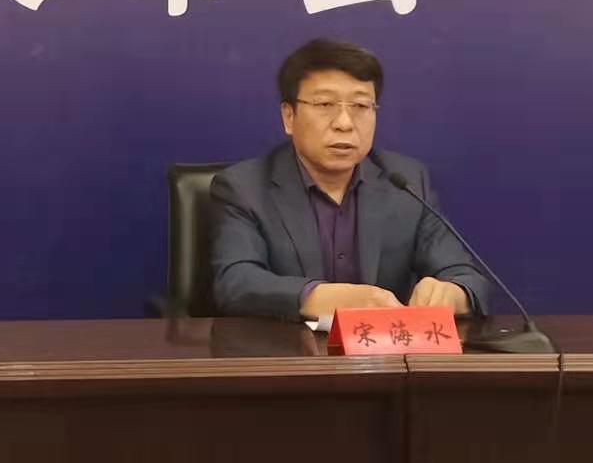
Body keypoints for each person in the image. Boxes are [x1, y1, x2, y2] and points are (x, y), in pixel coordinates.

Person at [208, 38, 491, 322]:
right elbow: (236, 282)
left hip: (384, 348)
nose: (344, 123)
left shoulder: (406, 182)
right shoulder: (244, 188)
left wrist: (452, 293)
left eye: (360, 105)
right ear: (289, 116)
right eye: (325, 104)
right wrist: (319, 297)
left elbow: (466, 276)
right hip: (288, 348)